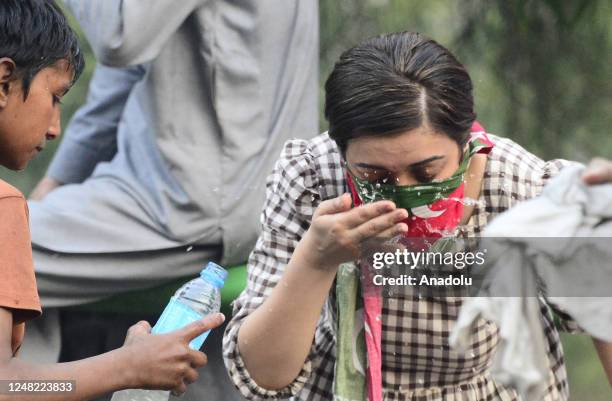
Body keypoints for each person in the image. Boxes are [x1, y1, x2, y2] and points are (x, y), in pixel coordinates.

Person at [223, 31, 612, 401]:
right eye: (376, 177)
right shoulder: (313, 180)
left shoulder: (519, 191)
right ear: (341, 152)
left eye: (427, 174)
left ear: (464, 144)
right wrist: (315, 259)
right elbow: (265, 376)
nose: (405, 193)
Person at [22, 1, 318, 400]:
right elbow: (125, 73)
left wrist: (119, 369)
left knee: (10, 254)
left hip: (204, 198)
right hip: (194, 191)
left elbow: (121, 37)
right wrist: (54, 185)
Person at [0, 1, 224, 400]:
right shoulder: (4, 207)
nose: (55, 128)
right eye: (54, 97)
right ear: (4, 82)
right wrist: (126, 367)